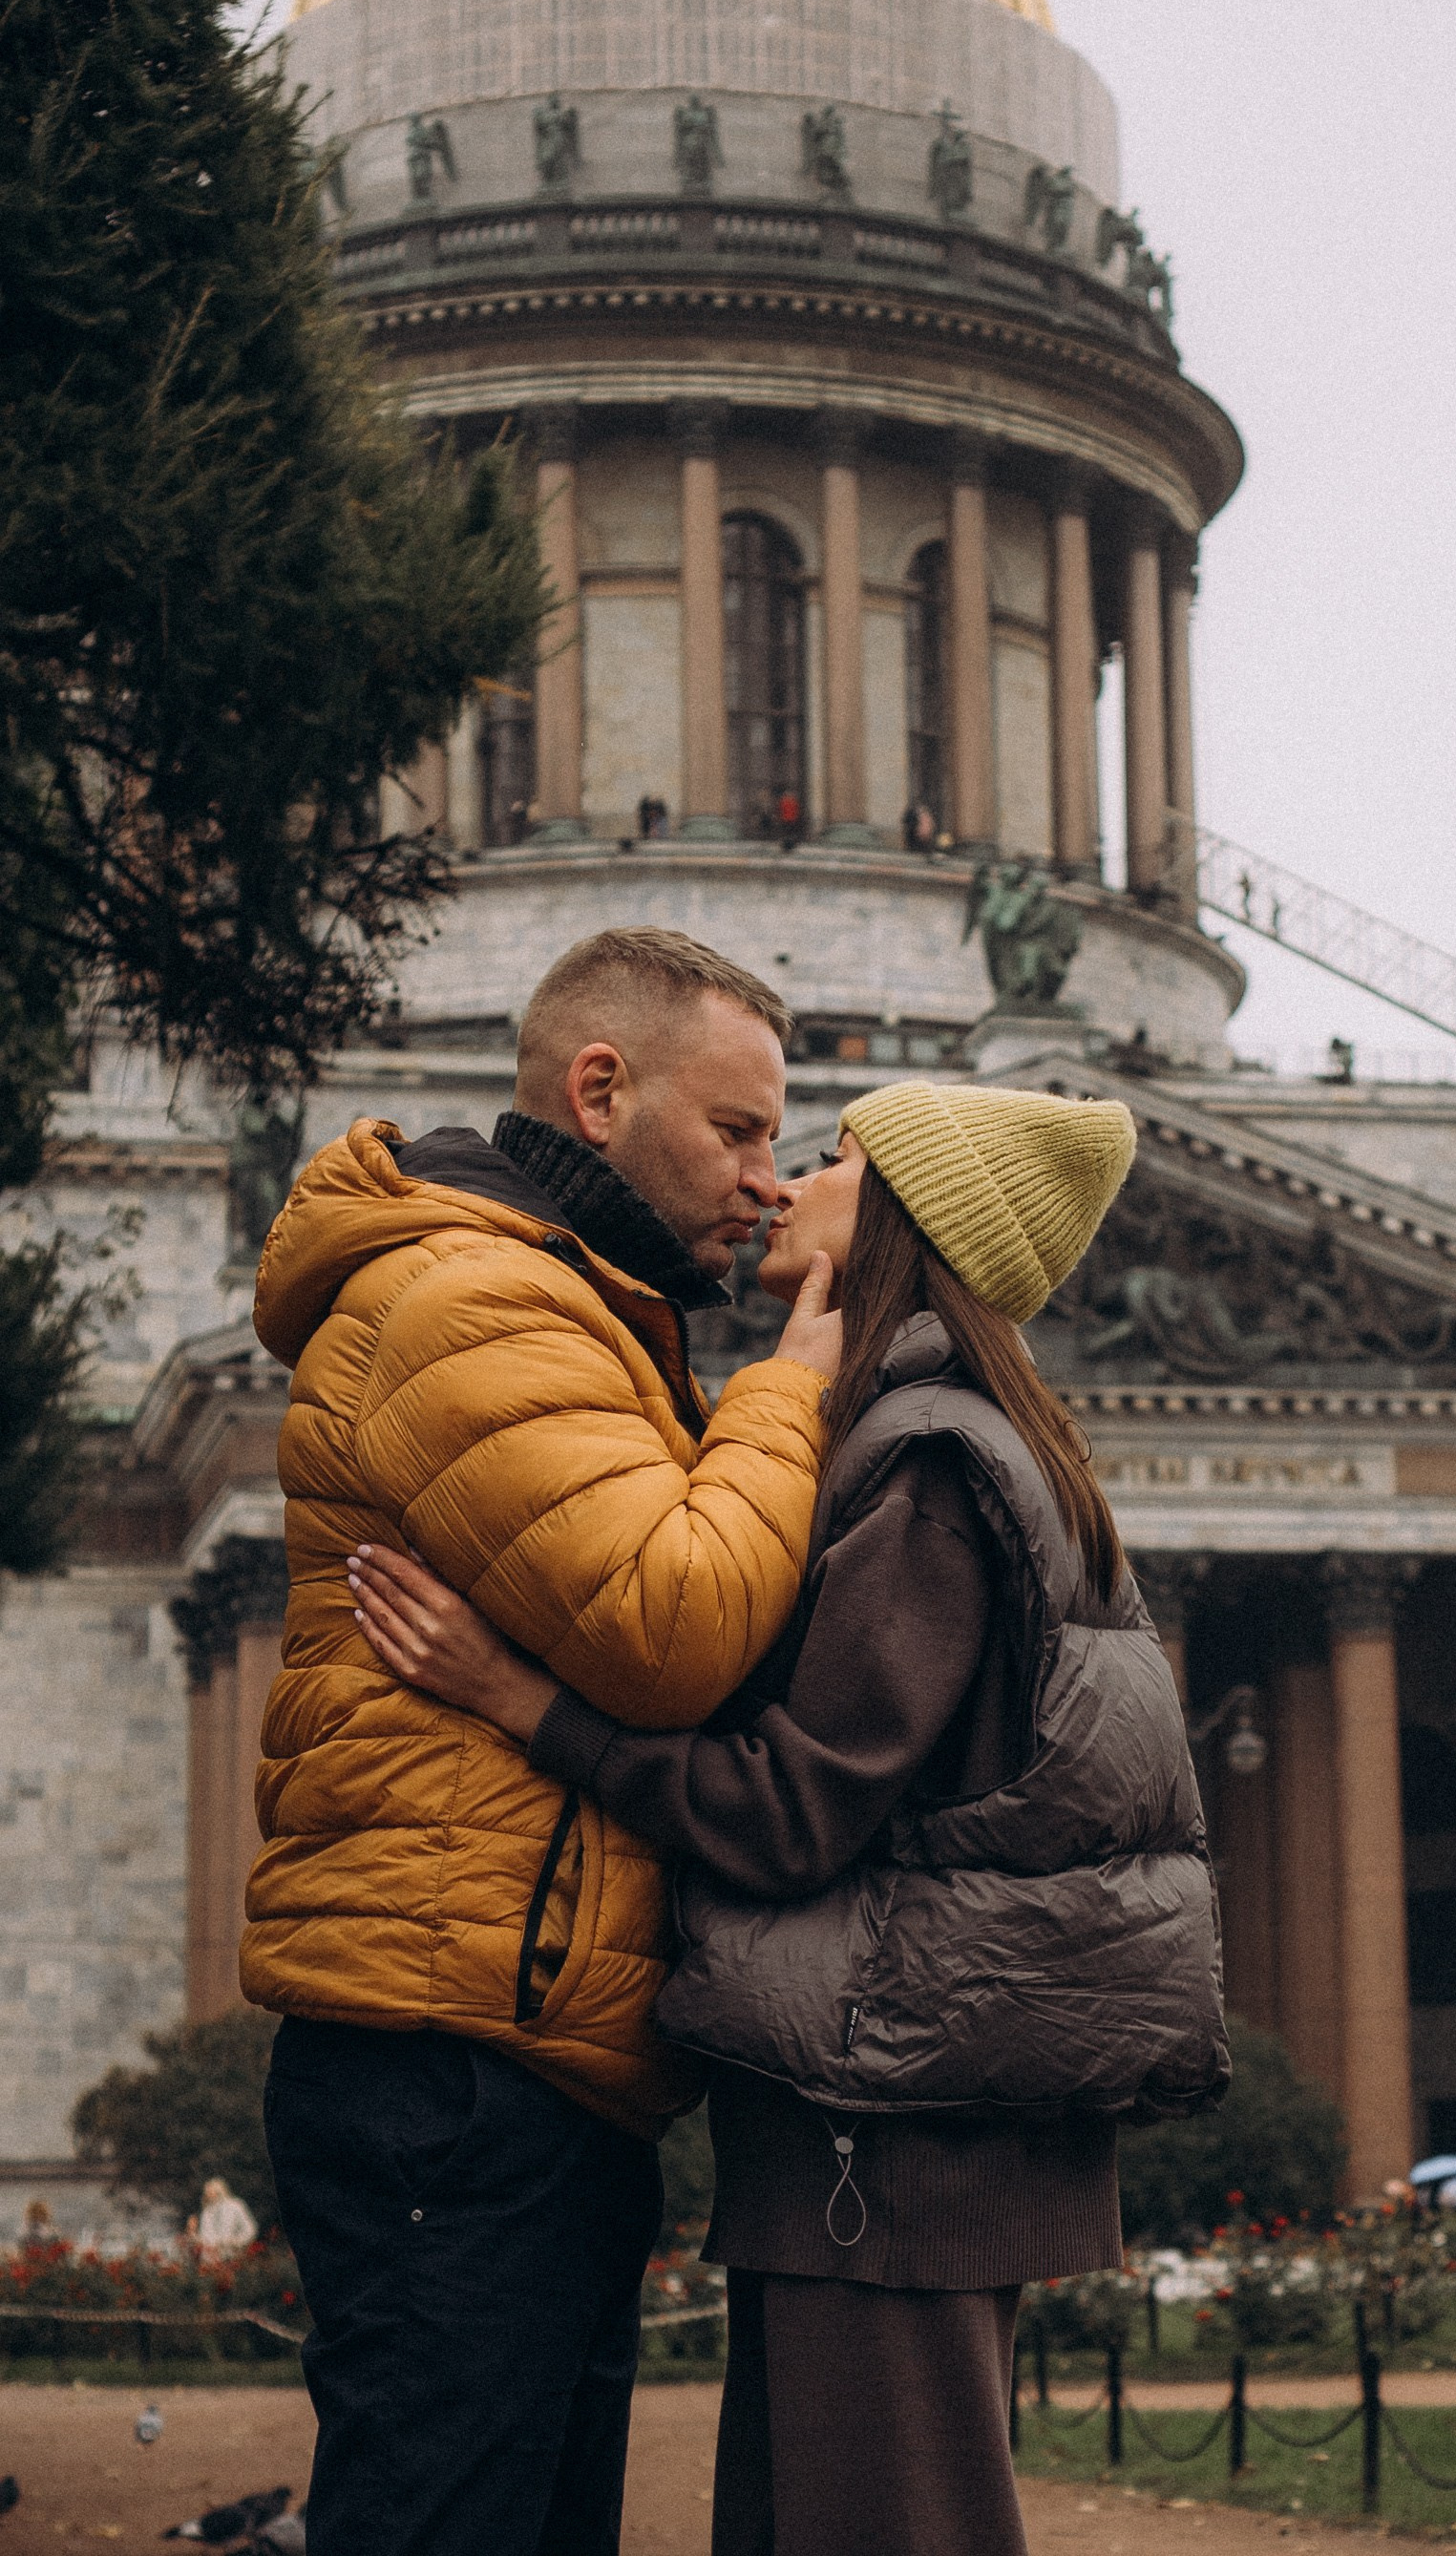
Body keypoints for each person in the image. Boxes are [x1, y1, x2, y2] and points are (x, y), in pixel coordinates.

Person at [349, 1081, 1231, 2556]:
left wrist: (525, 1702)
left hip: (882, 2145)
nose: (782, 1184)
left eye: (829, 1156)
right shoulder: (931, 1436)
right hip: (872, 2126)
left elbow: (792, 1809)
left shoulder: (928, 1463)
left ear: (899, 1218)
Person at [243, 926, 843, 2556]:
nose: (769, 1186)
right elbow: (674, 1623)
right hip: (458, 2061)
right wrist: (798, 1373)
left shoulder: (573, 1306)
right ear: (600, 1088)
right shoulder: (478, 1294)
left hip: (515, 2051)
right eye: (738, 1132)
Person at [189, 2178, 259, 2256]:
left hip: (234, 2257)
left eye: (209, 2191)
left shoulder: (235, 2205)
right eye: (206, 2192)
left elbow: (251, 2230)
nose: (206, 2195)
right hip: (212, 2261)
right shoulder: (206, 2212)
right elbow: (205, 2240)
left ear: (218, 2191)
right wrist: (192, 2233)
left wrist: (235, 2242)